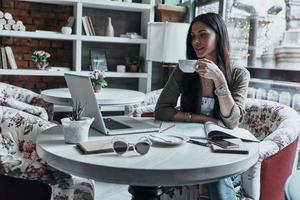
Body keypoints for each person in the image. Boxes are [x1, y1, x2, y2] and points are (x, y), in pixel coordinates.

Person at [154, 12, 250, 200]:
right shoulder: (184, 70)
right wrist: (206, 119)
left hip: (221, 145)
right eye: (193, 37)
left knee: (214, 167)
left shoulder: (239, 74)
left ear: (219, 36)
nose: (195, 42)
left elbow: (232, 122)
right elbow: (162, 109)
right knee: (212, 170)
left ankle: (209, 187)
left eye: (203, 35)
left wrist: (220, 81)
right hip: (188, 143)